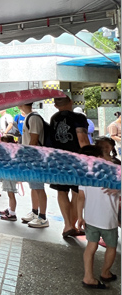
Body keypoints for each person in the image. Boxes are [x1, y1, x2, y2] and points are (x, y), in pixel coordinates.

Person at [77, 145, 120, 289]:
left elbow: (80, 198)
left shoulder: (85, 174)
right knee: (111, 246)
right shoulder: (114, 173)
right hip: (109, 220)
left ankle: (88, 276)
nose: (110, 157)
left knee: (91, 246)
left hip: (91, 218)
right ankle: (105, 273)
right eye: (107, 154)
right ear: (100, 158)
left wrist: (79, 217)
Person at [50, 95, 89, 238]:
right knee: (77, 192)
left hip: (58, 159)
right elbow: (82, 140)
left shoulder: (53, 118)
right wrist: (91, 157)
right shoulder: (79, 117)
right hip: (76, 160)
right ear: (71, 102)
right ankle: (73, 225)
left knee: (62, 191)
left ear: (55, 105)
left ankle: (67, 225)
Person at [18, 103, 49, 228]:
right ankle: (35, 212)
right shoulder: (29, 117)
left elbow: (34, 139)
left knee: (39, 187)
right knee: (34, 187)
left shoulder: (34, 118)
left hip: (36, 158)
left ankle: (43, 217)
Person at [0, 135, 19, 221]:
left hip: (10, 176)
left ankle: (12, 213)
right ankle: (10, 209)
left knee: (11, 195)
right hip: (9, 176)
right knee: (10, 194)